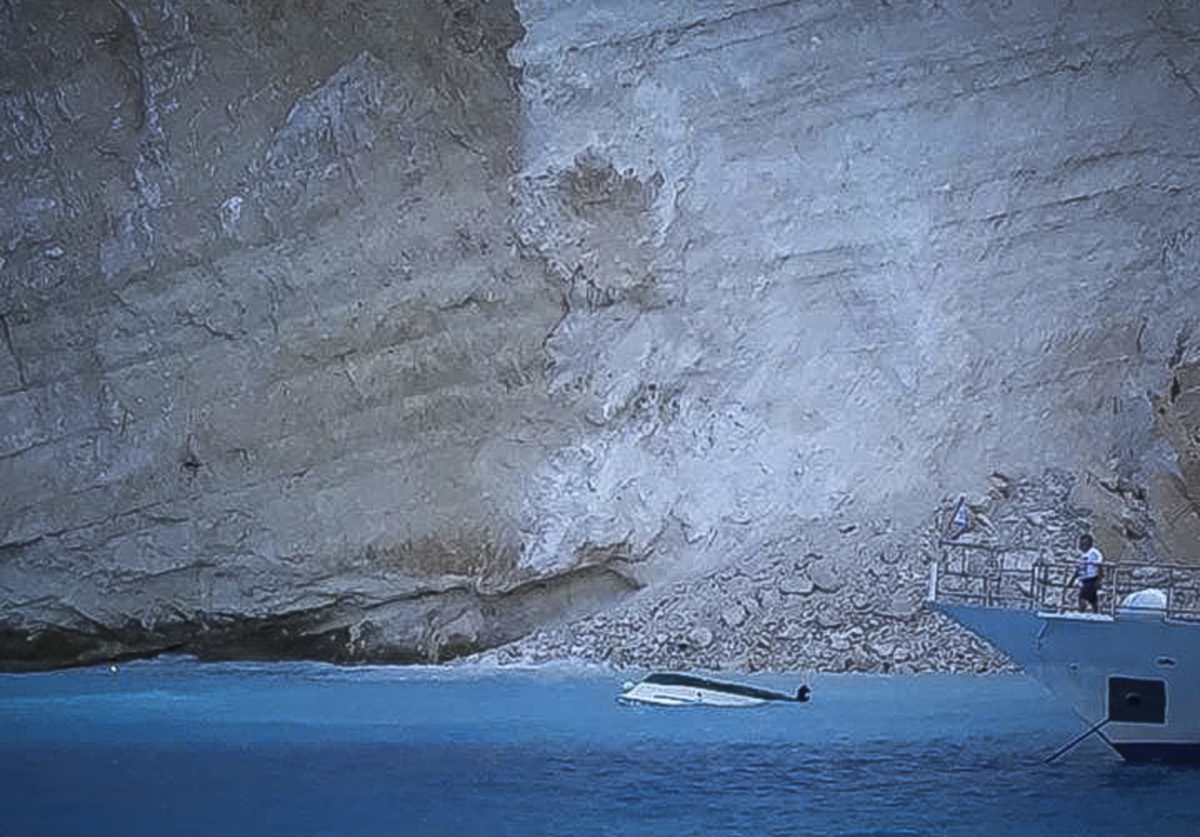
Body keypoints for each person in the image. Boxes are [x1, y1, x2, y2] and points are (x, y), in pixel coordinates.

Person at [1074, 534, 1103, 613]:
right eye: (1082, 543)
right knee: (1092, 599)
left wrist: (1099, 580)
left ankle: (1081, 612)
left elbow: (1099, 565)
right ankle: (1096, 613)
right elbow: (1079, 568)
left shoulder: (1094, 553)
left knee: (1082, 597)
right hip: (1084, 579)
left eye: (1086, 543)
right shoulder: (1083, 554)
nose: (1084, 545)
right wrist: (1072, 579)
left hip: (1091, 578)